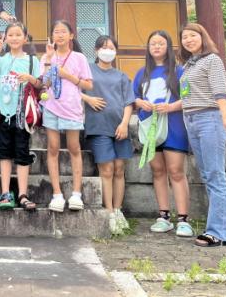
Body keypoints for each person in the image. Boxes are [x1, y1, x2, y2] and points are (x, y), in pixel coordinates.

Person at [178, 22, 226, 247]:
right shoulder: (189, 65)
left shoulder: (212, 60)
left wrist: (225, 118)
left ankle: (218, 232)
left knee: (215, 175)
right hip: (191, 120)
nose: (188, 40)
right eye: (184, 37)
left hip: (209, 118)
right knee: (208, 175)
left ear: (202, 37)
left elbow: (219, 92)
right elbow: (188, 95)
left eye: (192, 35)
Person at [134, 30, 194, 238]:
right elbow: (133, 98)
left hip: (174, 126)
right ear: (148, 48)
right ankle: (164, 216)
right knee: (158, 170)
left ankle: (184, 219)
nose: (157, 47)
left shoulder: (179, 71)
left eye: (161, 43)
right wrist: (140, 103)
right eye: (153, 44)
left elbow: (189, 97)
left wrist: (170, 107)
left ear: (168, 46)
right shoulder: (142, 73)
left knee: (176, 171)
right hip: (150, 127)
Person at [0, 22, 41, 211]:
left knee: (22, 153)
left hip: (23, 114)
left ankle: (23, 195)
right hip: (3, 113)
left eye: (18, 35)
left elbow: (41, 84)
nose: (14, 38)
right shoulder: (1, 60)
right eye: (11, 35)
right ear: (5, 38)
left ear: (25, 38)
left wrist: (30, 78)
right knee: (5, 153)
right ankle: (6, 193)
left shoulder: (32, 60)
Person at [82, 35, 134, 235]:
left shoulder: (121, 76)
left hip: (119, 127)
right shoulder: (88, 71)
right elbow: (71, 88)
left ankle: (118, 210)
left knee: (119, 169)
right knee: (107, 169)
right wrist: (88, 99)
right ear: (96, 51)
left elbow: (129, 102)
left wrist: (124, 124)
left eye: (111, 47)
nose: (108, 51)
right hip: (98, 127)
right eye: (104, 47)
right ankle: (109, 212)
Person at [40, 20, 93, 212]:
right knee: (53, 148)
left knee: (74, 147)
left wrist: (67, 75)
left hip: (72, 107)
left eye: (63, 32)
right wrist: (48, 59)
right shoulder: (47, 57)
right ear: (52, 36)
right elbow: (44, 84)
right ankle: (57, 194)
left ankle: (76, 193)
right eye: (56, 32)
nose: (60, 35)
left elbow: (88, 85)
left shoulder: (79, 58)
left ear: (71, 35)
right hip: (51, 107)